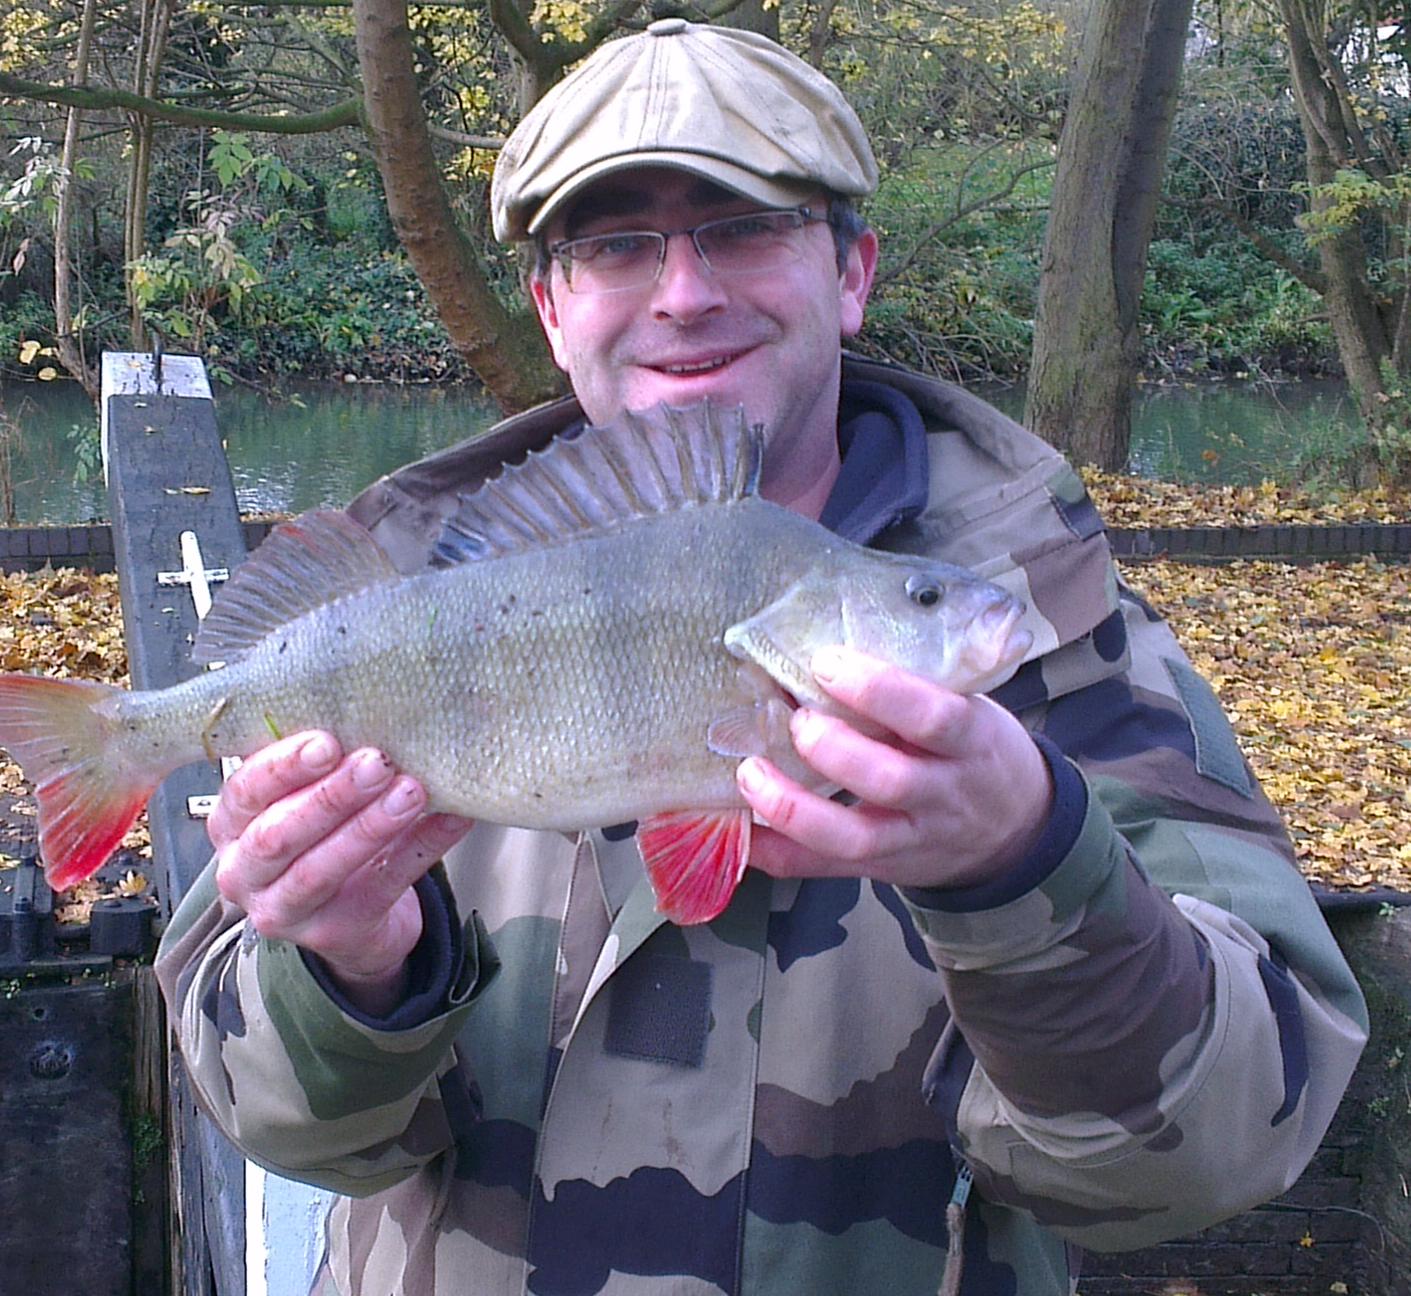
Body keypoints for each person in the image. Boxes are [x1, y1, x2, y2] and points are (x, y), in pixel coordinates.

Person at [155, 20, 1367, 1296]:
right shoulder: (405, 597)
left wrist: (1026, 866)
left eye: (743, 227)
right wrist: (351, 966)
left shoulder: (1059, 639)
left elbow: (1228, 1147)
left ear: (851, 272)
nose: (684, 291)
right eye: (617, 243)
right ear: (554, 306)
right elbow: (277, 1125)